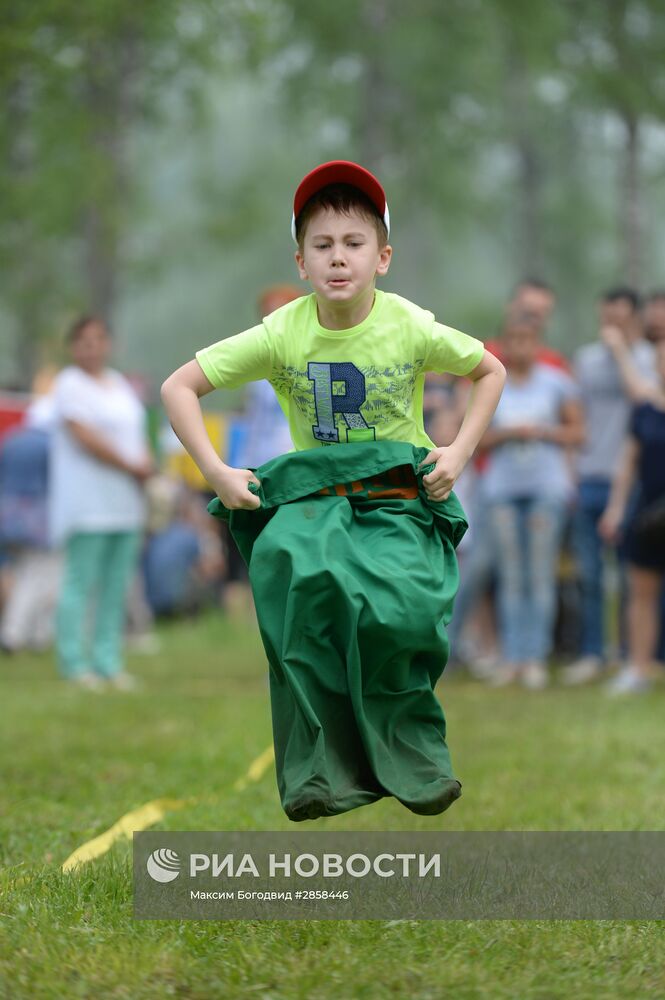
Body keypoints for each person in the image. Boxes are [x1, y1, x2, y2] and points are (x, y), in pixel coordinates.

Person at [161, 160, 505, 821]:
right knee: (301, 589)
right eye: (322, 246)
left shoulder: (408, 323)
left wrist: (458, 449)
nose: (338, 259)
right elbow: (179, 387)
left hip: (397, 496)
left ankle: (413, 754)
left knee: (400, 614)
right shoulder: (280, 332)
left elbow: (487, 370)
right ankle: (318, 773)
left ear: (382, 256)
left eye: (353, 244)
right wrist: (215, 470)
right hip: (316, 498)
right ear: (300, 261)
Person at [479, 313, 584, 688]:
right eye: (513, 339)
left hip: (546, 489)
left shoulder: (557, 384)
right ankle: (512, 657)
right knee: (509, 575)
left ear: (538, 342)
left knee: (539, 574)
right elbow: (474, 436)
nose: (520, 347)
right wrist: (507, 433)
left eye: (527, 339)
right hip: (502, 490)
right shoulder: (492, 381)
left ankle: (535, 655)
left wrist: (543, 431)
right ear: (503, 342)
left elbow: (577, 433)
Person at [50, 317, 153, 691]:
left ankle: (108, 661)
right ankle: (74, 662)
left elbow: (137, 434)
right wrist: (130, 465)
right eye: (84, 341)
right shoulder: (69, 385)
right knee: (80, 582)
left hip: (124, 503)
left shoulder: (120, 385)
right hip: (87, 503)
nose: (92, 347)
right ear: (73, 346)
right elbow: (84, 435)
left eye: (99, 339)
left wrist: (144, 464)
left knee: (116, 584)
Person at [563, 288, 655, 684]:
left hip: (629, 481)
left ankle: (628, 654)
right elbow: (574, 415)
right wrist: (572, 470)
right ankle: (592, 652)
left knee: (632, 575)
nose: (611, 325)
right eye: (606, 317)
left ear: (634, 319)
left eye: (619, 318)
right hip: (589, 476)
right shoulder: (585, 359)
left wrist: (620, 351)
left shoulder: (651, 359)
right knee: (589, 572)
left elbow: (642, 399)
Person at [598, 329, 665, 693]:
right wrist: (615, 510)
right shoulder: (644, 409)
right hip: (650, 514)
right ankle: (637, 669)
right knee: (641, 592)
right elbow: (627, 464)